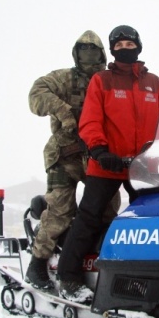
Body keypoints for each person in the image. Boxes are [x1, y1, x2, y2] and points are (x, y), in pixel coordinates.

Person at [57, 25, 159, 303]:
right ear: (112, 50)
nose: (124, 49)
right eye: (118, 46)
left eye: (130, 44)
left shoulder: (154, 83)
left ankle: (158, 274)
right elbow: (91, 118)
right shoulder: (102, 80)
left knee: (156, 218)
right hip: (107, 162)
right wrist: (99, 148)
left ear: (138, 47)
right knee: (89, 217)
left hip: (143, 166)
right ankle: (68, 277)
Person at [25, 30, 121, 291]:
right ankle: (37, 263)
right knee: (60, 211)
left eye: (94, 52)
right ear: (76, 54)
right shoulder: (63, 78)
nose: (89, 56)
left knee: (108, 212)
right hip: (64, 155)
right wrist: (64, 111)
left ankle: (91, 264)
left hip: (97, 157)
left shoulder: (108, 81)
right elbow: (36, 94)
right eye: (84, 51)